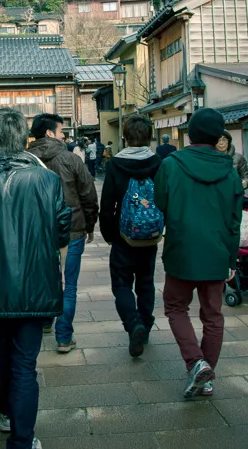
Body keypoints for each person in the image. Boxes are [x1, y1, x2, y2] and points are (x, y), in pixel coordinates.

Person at [0, 108, 71, 449]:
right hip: (36, 284)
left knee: (2, 352)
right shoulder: (47, 179)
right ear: (25, 138)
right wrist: (59, 273)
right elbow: (62, 232)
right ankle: (23, 439)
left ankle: (6, 412)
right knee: (25, 363)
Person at [154, 108, 243, 400]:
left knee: (176, 307)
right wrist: (232, 259)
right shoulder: (229, 171)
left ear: (189, 133)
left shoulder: (171, 164)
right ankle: (206, 380)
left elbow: (161, 202)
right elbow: (234, 222)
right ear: (219, 136)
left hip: (182, 249)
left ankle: (196, 363)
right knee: (213, 315)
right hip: (218, 251)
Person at [28, 114, 99, 352]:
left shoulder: (26, 160)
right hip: (71, 230)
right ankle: (64, 337)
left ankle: (46, 321)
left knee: (45, 280)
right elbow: (88, 195)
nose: (63, 136)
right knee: (68, 285)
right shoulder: (71, 159)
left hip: (36, 234)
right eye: (60, 131)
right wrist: (89, 225)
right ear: (49, 133)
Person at [99, 115, 162, 357]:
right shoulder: (158, 162)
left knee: (122, 284)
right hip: (150, 235)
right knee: (146, 283)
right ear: (149, 137)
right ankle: (145, 325)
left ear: (125, 137)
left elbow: (107, 203)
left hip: (123, 236)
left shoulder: (115, 164)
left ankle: (132, 323)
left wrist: (109, 233)